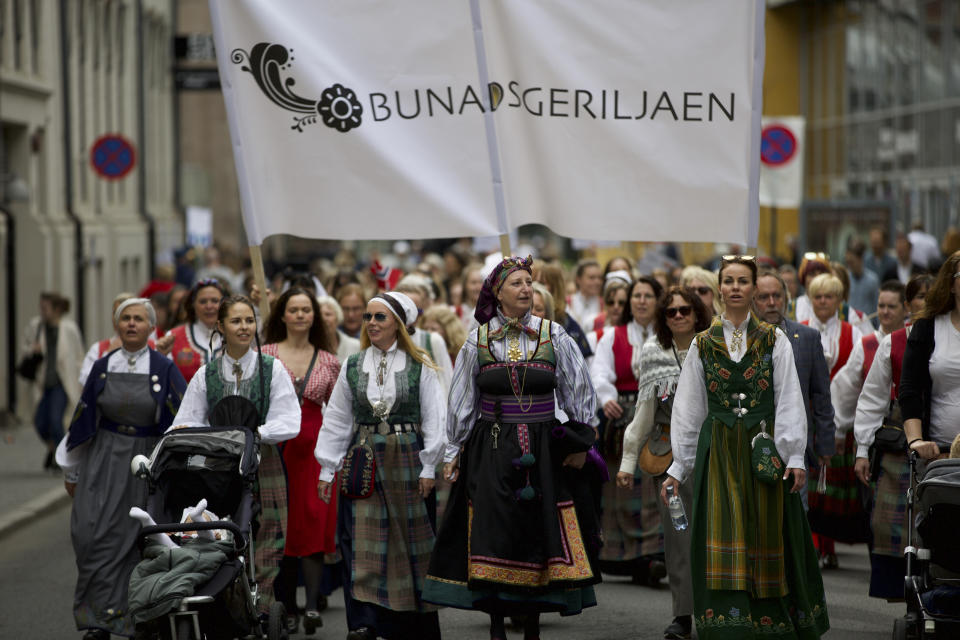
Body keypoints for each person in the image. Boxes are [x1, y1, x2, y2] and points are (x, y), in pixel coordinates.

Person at [424, 256, 601, 640]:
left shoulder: (554, 335)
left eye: (529, 283)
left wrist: (582, 440)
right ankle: (496, 624)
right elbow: (462, 401)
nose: (526, 290)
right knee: (493, 529)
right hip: (491, 446)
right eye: (517, 283)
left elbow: (580, 393)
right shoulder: (479, 338)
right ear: (498, 293)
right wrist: (452, 450)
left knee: (537, 530)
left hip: (543, 447)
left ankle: (533, 624)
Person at [662, 255, 829, 640]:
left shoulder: (775, 340)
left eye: (743, 281)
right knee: (723, 532)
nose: (735, 287)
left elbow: (789, 399)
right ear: (720, 288)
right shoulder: (703, 344)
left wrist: (794, 455)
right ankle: (727, 625)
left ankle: (769, 622)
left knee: (764, 532)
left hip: (762, 449)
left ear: (754, 289)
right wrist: (678, 468)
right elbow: (689, 410)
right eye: (729, 281)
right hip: (719, 450)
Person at [314, 291, 446, 640]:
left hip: (407, 458)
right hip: (364, 459)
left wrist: (430, 465)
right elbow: (339, 419)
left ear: (399, 324)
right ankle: (365, 623)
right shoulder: (353, 365)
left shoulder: (421, 365)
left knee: (409, 544)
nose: (371, 323)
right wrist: (327, 469)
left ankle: (411, 625)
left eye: (380, 317)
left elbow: (435, 418)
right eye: (368, 317)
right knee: (361, 542)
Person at [56, 298, 186, 639]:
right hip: (102, 459)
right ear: (117, 325)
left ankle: (133, 620)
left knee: (135, 542)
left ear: (150, 327)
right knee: (90, 536)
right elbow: (82, 422)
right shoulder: (103, 366)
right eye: (125, 318)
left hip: (144, 462)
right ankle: (96, 619)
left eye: (138, 319)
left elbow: (181, 420)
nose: (131, 324)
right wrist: (72, 470)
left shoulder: (163, 368)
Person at [170, 295, 301, 619]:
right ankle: (224, 607)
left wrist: (254, 436)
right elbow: (185, 421)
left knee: (269, 535)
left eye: (249, 321)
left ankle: (262, 605)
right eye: (236, 321)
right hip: (216, 467)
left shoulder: (272, 369)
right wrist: (216, 440)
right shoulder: (207, 374)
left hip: (264, 462)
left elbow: (289, 419)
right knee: (217, 532)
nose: (244, 327)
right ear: (221, 327)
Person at [618, 286, 711, 640]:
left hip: (713, 454)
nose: (678, 316)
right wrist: (628, 463)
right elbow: (643, 414)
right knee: (679, 538)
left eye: (685, 310)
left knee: (717, 535)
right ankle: (683, 616)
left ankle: (721, 613)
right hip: (669, 461)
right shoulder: (653, 351)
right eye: (670, 312)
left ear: (697, 313)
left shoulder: (713, 346)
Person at [260, 287, 341, 634]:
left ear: (314, 316)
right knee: (278, 524)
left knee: (311, 522)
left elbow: (337, 411)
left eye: (306, 309)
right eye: (293, 309)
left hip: (313, 450)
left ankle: (310, 605)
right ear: (281, 315)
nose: (300, 315)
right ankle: (285, 606)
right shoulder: (265, 356)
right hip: (275, 448)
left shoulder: (328, 360)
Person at [851, 275, 931, 599]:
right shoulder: (894, 341)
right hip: (901, 444)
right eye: (919, 296)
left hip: (947, 439)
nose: (925, 302)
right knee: (894, 524)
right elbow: (871, 399)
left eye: (931, 295)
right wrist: (861, 448)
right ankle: (907, 590)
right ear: (909, 303)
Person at [590, 275, 665, 584]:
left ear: (658, 301)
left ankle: (654, 555)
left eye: (648, 295)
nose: (642, 301)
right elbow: (600, 373)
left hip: (660, 419)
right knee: (624, 493)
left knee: (654, 491)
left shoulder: (668, 334)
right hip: (625, 420)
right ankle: (628, 557)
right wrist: (607, 398)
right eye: (637, 295)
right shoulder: (613, 335)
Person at [753, 269, 836, 512]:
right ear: (752, 300)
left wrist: (825, 444)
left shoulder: (807, 337)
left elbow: (821, 394)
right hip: (753, 439)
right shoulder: (743, 339)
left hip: (796, 444)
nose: (771, 302)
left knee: (796, 515)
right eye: (763, 296)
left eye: (777, 296)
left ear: (786, 298)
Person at [801, 272, 868, 567]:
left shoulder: (852, 333)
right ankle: (814, 544)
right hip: (808, 415)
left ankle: (828, 547)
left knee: (831, 486)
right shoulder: (799, 330)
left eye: (829, 296)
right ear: (810, 300)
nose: (823, 302)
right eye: (818, 297)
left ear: (840, 301)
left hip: (838, 416)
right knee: (811, 480)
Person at [901, 250, 960, 462]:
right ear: (951, 285)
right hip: (938, 451)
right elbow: (910, 388)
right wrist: (916, 440)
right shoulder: (928, 327)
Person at [22, 291, 85, 471]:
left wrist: (80, 380)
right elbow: (24, 348)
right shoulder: (36, 326)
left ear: (56, 309)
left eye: (45, 308)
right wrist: (32, 350)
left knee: (56, 421)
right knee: (40, 422)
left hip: (62, 383)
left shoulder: (69, 328)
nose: (42, 311)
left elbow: (79, 354)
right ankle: (53, 450)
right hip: (42, 383)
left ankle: (62, 459)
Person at [157, 278, 229, 383]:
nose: (209, 306)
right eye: (203, 301)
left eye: (214, 301)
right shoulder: (174, 336)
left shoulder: (234, 334)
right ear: (193, 305)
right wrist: (160, 356)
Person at [535, 261, 593, 358]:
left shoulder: (564, 321)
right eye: (533, 281)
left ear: (555, 287)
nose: (536, 286)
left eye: (542, 283)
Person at [585, 271, 632, 355]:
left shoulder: (636, 335)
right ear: (605, 305)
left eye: (621, 303)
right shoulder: (593, 338)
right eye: (611, 302)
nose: (616, 307)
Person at [317, 294, 362, 363]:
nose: (323, 319)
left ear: (338, 318)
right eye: (319, 315)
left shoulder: (356, 346)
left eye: (328, 314)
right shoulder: (308, 349)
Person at [845, 239, 880, 322]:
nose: (850, 266)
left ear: (860, 259)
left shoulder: (872, 280)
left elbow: (877, 305)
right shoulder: (845, 279)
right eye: (848, 262)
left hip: (868, 325)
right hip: (850, 324)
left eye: (852, 262)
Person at [568, 258, 603, 328]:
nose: (597, 282)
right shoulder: (567, 302)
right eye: (591, 278)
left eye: (599, 278)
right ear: (578, 279)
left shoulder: (605, 304)